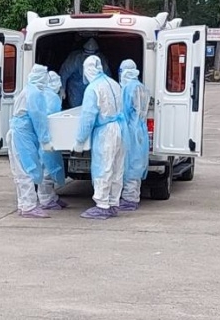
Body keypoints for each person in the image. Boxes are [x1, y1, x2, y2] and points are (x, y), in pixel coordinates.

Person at [8, 65, 68, 218]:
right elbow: (39, 119)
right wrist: (45, 139)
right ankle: (28, 206)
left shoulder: (29, 90)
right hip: (23, 136)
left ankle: (24, 205)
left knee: (22, 171)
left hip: (20, 134)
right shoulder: (35, 94)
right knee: (27, 170)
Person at [75, 56, 126, 220]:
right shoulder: (114, 83)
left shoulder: (93, 89)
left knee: (104, 166)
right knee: (117, 167)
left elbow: (88, 117)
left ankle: (102, 204)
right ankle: (113, 202)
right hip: (120, 128)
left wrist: (80, 140)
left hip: (105, 132)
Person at [117, 60, 152, 211]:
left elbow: (123, 111)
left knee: (129, 164)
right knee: (137, 163)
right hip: (140, 130)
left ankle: (129, 198)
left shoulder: (127, 89)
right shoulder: (141, 87)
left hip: (130, 130)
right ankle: (133, 196)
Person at [59, 38, 111, 108]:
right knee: (75, 108)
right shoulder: (75, 58)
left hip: (94, 86)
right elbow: (64, 73)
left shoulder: (101, 60)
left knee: (91, 107)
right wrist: (62, 88)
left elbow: (107, 77)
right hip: (75, 86)